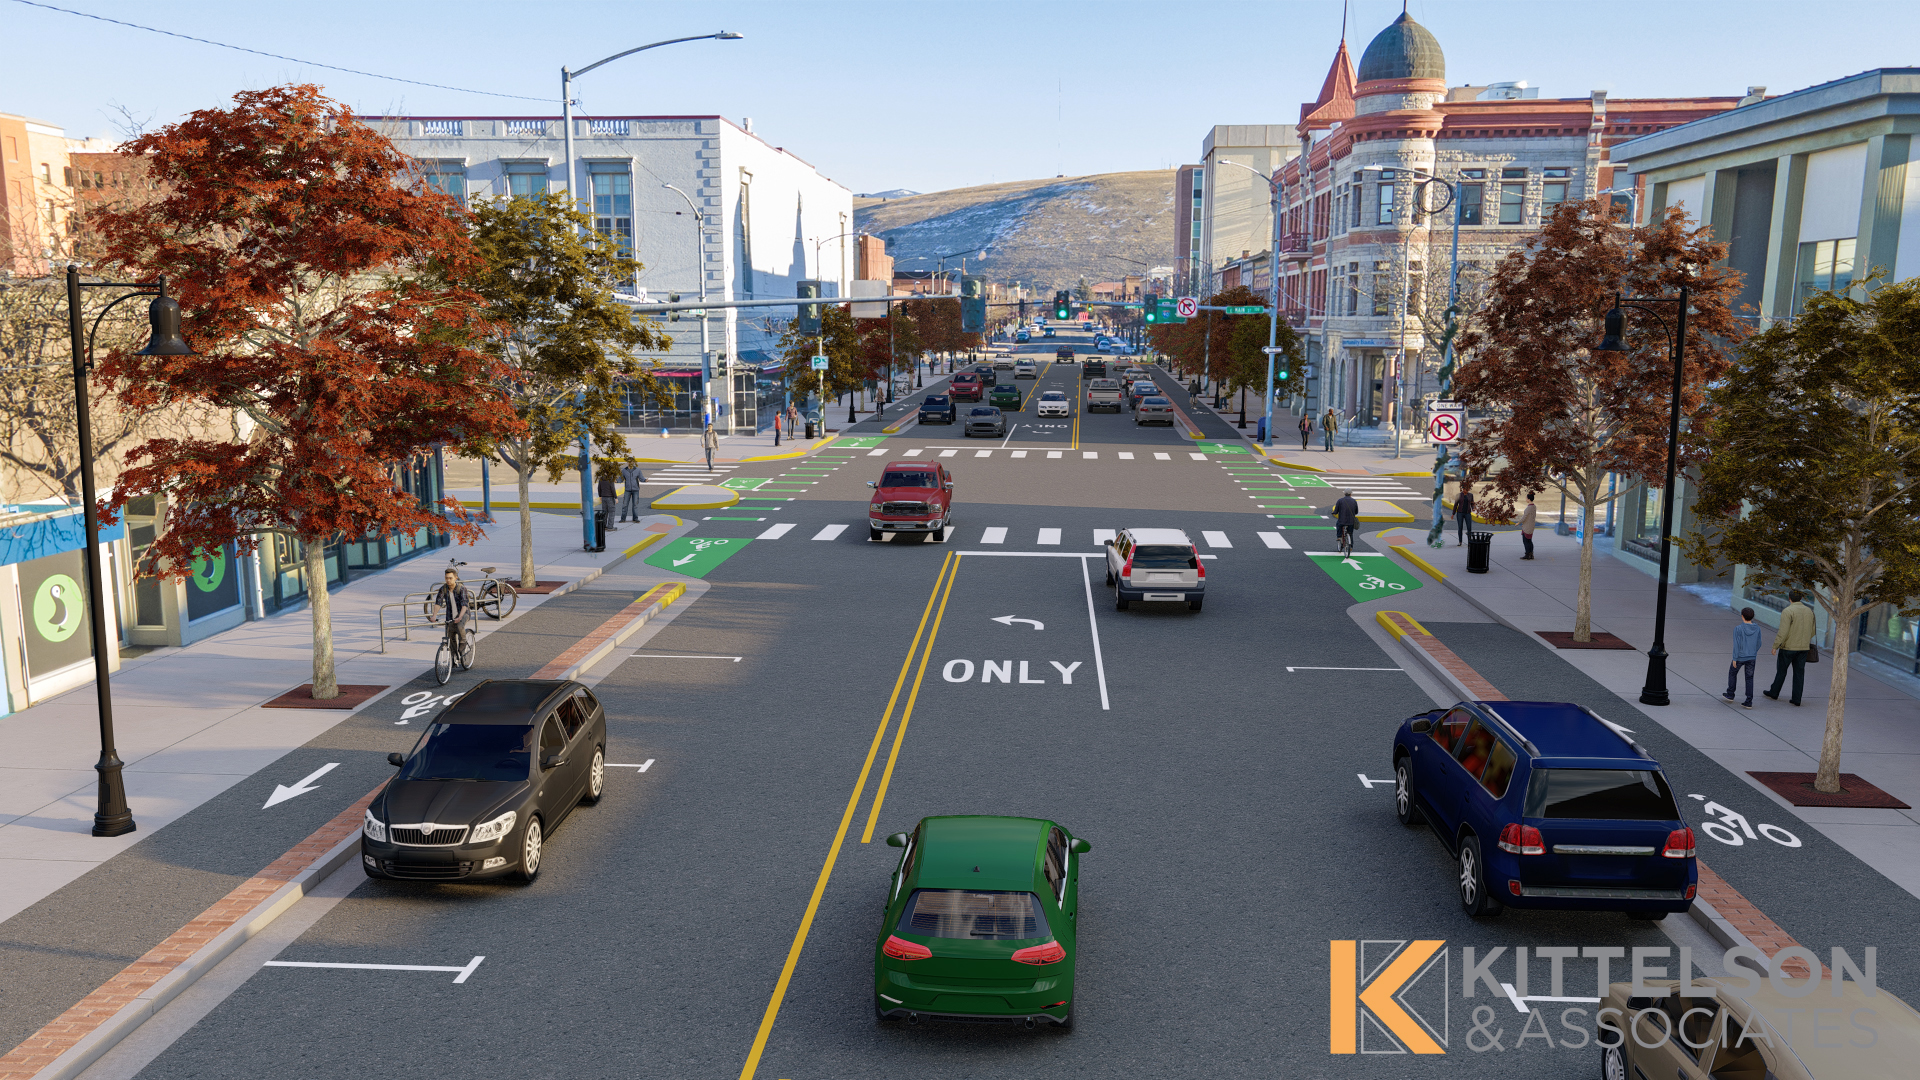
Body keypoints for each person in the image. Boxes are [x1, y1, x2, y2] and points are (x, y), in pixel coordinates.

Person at [1764, 590, 1816, 705]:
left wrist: (1775, 646)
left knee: (1781, 671)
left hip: (1788, 647)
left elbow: (1783, 631)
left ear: (1789, 598)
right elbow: (1812, 631)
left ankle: (1774, 692)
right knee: (1799, 673)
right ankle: (1796, 699)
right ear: (1801, 598)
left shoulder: (1788, 611)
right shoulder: (1810, 611)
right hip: (1803, 648)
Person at [1725, 607, 1762, 708]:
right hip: (1752, 657)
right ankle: (1749, 701)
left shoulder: (1738, 629)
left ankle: (1730, 694)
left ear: (1742, 616)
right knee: (1749, 678)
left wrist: (1734, 658)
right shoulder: (1757, 628)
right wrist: (1753, 652)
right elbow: (1759, 643)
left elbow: (1736, 645)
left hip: (1740, 657)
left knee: (1732, 673)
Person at [429, 568, 470, 657]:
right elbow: (438, 603)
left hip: (463, 613)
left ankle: (463, 641)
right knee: (450, 636)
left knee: (459, 626)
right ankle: (454, 658)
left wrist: (460, 617)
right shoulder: (443, 589)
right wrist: (434, 615)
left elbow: (464, 605)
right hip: (450, 615)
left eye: (450, 578)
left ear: (456, 578)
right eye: (446, 578)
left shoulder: (462, 589)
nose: (448, 580)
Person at [618, 457, 646, 522]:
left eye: (631, 461)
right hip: (627, 490)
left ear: (633, 462)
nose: (630, 463)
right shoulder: (624, 470)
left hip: (635, 490)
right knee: (625, 505)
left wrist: (645, 480)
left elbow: (641, 478)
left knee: (635, 505)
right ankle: (623, 519)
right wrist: (616, 481)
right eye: (628, 461)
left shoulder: (637, 470)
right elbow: (621, 479)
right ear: (627, 462)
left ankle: (635, 518)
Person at [1453, 482, 1476, 547]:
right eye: (1464, 489)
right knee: (1460, 527)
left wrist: (1473, 508)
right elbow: (1455, 505)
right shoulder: (1458, 495)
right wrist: (1453, 513)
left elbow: (1472, 503)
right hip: (1460, 513)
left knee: (1469, 528)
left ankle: (1469, 542)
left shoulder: (1470, 495)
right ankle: (1460, 541)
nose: (1465, 490)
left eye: (1466, 489)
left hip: (1467, 513)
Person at [1519, 491, 1537, 559]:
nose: (1525, 499)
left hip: (1527, 526)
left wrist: (1519, 522)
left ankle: (1527, 554)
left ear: (1529, 499)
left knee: (1525, 541)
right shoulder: (1534, 506)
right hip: (1531, 525)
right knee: (1529, 540)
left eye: (1526, 498)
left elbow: (1524, 517)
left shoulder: (1529, 508)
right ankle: (1531, 554)